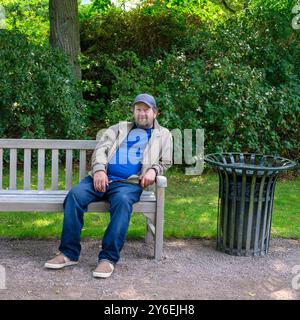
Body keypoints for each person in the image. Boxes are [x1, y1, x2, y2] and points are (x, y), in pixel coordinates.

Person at [44, 93, 173, 278]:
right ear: (133, 111)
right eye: (138, 109)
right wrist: (99, 170)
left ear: (155, 113)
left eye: (146, 110)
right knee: (75, 195)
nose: (142, 113)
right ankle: (68, 253)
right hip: (101, 178)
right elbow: (100, 150)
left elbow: (165, 161)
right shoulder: (118, 128)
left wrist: (153, 170)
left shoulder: (164, 135)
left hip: (128, 184)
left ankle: (108, 258)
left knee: (122, 202)